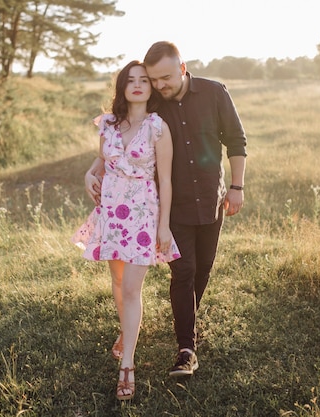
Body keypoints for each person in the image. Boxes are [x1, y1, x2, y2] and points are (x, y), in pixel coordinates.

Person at [85, 41, 248, 378]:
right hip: (170, 206)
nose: (159, 85)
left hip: (211, 197)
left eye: (165, 78)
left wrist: (236, 186)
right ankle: (186, 348)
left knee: (203, 268)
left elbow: (236, 139)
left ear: (182, 67)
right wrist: (94, 169)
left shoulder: (215, 92)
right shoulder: (155, 105)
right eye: (153, 79)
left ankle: (187, 319)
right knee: (183, 272)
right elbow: (122, 134)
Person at [72, 60, 181, 400]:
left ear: (150, 87)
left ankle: (128, 365)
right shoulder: (107, 123)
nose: (137, 85)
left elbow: (165, 180)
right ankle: (126, 332)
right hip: (111, 213)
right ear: (122, 87)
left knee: (132, 288)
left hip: (143, 214)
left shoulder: (158, 127)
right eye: (130, 80)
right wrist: (89, 175)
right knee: (118, 282)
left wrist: (164, 226)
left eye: (143, 80)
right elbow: (101, 162)